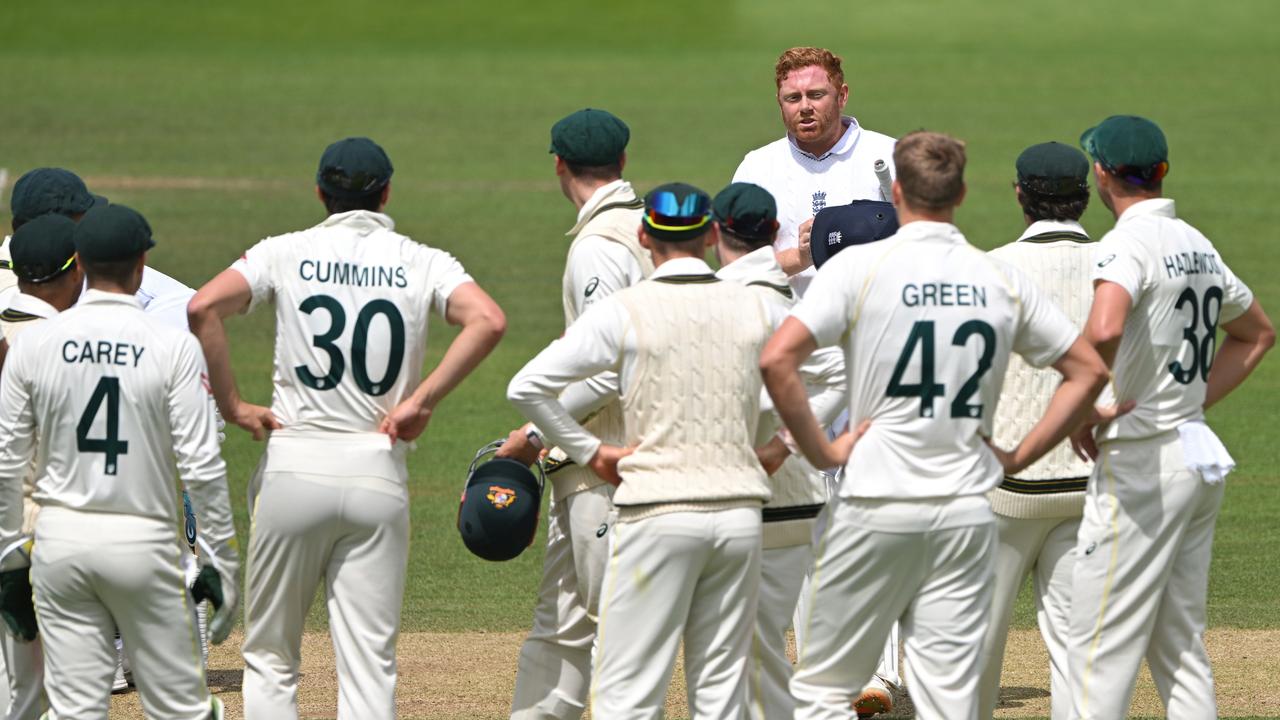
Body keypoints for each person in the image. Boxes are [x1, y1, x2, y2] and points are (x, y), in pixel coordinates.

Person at [760, 130, 1109, 719]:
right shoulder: (996, 275)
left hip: (875, 500)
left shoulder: (858, 270)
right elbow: (1087, 369)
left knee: (825, 688)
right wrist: (1019, 455)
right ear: (962, 192)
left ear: (897, 192)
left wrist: (822, 449)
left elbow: (777, 360)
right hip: (964, 506)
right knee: (948, 694)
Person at [187, 136, 506, 719]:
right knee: (368, 662)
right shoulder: (423, 259)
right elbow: (487, 320)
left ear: (319, 193)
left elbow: (202, 307)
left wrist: (233, 405)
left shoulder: (283, 251)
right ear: (385, 194)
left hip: (292, 470)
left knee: (271, 657)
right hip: (376, 470)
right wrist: (422, 400)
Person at [508, 183, 773, 720]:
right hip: (739, 514)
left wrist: (590, 451)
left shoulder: (626, 309)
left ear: (645, 235)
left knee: (628, 692)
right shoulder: (756, 304)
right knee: (723, 693)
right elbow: (829, 375)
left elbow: (526, 387)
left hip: (656, 511)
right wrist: (780, 445)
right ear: (711, 233)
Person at [1067, 115, 1274, 720]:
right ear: (1161, 172)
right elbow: (1256, 335)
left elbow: (1104, 326)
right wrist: (1188, 400)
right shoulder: (1195, 241)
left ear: (1102, 173)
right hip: (1192, 452)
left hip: (1141, 462)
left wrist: (1083, 405)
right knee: (1177, 640)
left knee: (1094, 646)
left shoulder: (1126, 244)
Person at [0, 204, 238, 719]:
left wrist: (12, 561)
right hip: (145, 545)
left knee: (75, 710)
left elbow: (9, 463)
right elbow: (202, 464)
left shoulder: (32, 344)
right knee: (180, 709)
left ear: (79, 264)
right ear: (141, 264)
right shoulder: (173, 345)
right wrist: (220, 559)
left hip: (61, 547)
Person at [497, 108, 651, 720]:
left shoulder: (599, 248)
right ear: (622, 163)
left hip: (607, 467)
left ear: (560, 166)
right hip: (590, 465)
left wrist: (536, 433)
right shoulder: (643, 225)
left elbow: (606, 369)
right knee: (561, 622)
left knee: (618, 632)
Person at [708, 182, 847, 720]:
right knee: (760, 646)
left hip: (721, 499)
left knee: (733, 651)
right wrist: (786, 443)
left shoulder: (706, 300)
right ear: (772, 234)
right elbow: (840, 375)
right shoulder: (792, 310)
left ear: (716, 231)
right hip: (793, 505)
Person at [976, 142, 1097, 720]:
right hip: (1092, 483)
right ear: (1085, 196)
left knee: (971, 650)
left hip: (1005, 486)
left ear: (1020, 195)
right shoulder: (1117, 263)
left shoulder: (991, 266)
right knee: (1082, 653)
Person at [0, 214, 84, 719]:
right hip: (43, 530)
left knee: (16, 691)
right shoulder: (67, 342)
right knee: (64, 692)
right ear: (74, 270)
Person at [732, 46, 897, 297]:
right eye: (793, 98)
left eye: (816, 95)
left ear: (842, 96)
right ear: (779, 102)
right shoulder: (756, 168)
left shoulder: (891, 155)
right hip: (786, 325)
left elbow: (927, 248)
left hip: (869, 325)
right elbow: (737, 267)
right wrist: (801, 256)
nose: (805, 107)